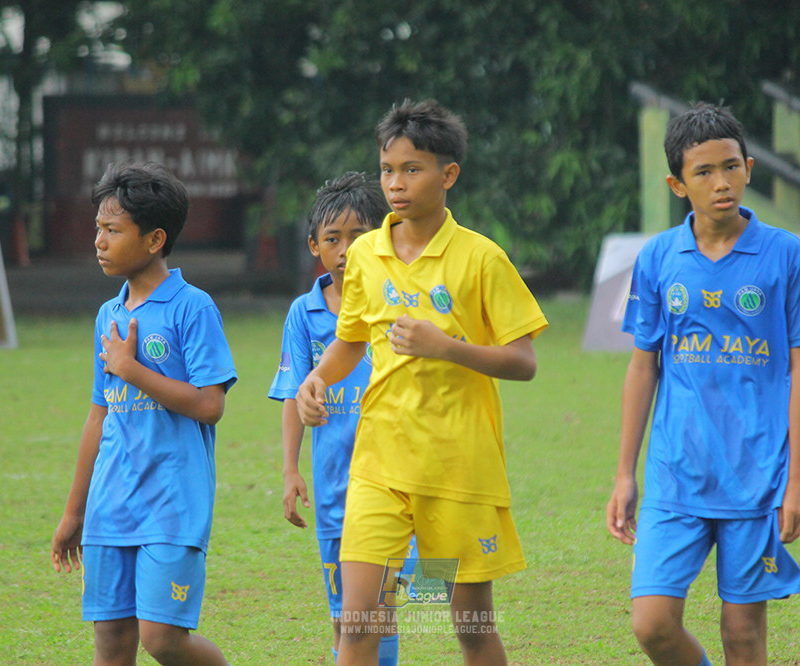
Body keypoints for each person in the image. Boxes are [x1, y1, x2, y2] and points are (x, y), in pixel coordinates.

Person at [296, 99, 548, 666]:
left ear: (448, 174)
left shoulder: (481, 258)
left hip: (456, 471)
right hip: (379, 465)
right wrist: (316, 379)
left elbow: (524, 361)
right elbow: (351, 340)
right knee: (358, 622)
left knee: (468, 626)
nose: (396, 183)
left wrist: (447, 347)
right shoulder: (365, 255)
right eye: (388, 169)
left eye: (412, 169)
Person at [606, 102, 800, 666]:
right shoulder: (658, 257)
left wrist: (798, 480)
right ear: (678, 184)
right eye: (703, 172)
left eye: (730, 166)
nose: (721, 182)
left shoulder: (784, 253)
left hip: (756, 474)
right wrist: (625, 473)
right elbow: (643, 366)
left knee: (742, 635)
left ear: (749, 168)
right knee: (652, 625)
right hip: (675, 473)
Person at [51, 161, 237, 666]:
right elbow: (99, 417)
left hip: (172, 505)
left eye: (113, 230)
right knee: (111, 642)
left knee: (163, 639)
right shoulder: (108, 315)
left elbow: (211, 405)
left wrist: (131, 369)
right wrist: (74, 512)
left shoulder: (192, 307)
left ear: (155, 239)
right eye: (97, 228)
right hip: (111, 506)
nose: (99, 242)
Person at [268, 171, 406, 664]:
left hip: (395, 481)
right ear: (314, 246)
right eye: (333, 238)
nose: (345, 249)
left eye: (358, 236)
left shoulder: (397, 299)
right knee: (345, 615)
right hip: (333, 490)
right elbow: (293, 393)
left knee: (381, 610)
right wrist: (290, 470)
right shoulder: (303, 314)